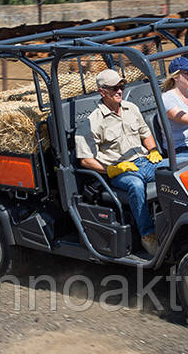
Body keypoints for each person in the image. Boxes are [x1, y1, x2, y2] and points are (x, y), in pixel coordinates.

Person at [75, 69, 164, 255]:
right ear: (102, 92)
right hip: (122, 172)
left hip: (144, 162)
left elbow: (145, 133)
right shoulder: (92, 123)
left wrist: (154, 151)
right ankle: (148, 235)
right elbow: (85, 160)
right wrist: (112, 169)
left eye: (121, 86)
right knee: (136, 186)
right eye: (114, 87)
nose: (119, 90)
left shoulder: (131, 108)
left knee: (173, 169)